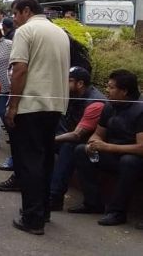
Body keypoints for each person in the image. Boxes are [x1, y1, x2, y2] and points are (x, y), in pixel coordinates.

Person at [4, 0, 70, 235]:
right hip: (55, 105)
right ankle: (42, 211)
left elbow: (20, 70)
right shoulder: (59, 32)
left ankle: (32, 219)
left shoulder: (25, 32)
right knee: (44, 160)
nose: (14, 18)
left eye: (15, 13)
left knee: (29, 162)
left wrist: (13, 106)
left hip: (31, 105)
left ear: (26, 10)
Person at [69, 70, 143, 226]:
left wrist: (108, 147)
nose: (107, 91)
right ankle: (93, 203)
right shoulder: (110, 106)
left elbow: (141, 148)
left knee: (129, 162)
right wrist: (93, 143)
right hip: (112, 154)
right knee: (81, 151)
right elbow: (98, 134)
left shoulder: (139, 110)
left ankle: (117, 212)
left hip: (133, 158)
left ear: (124, 91)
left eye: (111, 87)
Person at [47, 67, 108, 211]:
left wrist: (51, 139)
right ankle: (34, 185)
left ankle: (54, 197)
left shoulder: (95, 103)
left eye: (69, 80)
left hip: (93, 145)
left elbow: (77, 135)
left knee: (68, 146)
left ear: (80, 84)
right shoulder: (74, 95)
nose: (64, 83)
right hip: (77, 139)